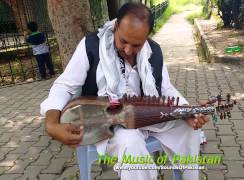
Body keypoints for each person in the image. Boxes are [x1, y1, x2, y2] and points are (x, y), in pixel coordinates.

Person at [40, 3, 209, 180]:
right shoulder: (92, 45)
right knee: (131, 143)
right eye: (123, 41)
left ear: (147, 37)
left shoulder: (154, 51)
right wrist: (51, 125)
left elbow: (165, 88)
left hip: (147, 118)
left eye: (136, 45)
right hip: (109, 124)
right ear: (115, 27)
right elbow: (64, 86)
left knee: (189, 129)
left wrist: (187, 110)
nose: (128, 50)